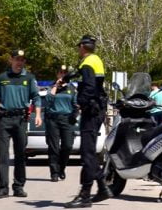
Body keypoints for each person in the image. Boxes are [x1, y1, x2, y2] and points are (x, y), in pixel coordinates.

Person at [0, 49, 41, 199]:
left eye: (22, 60)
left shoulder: (29, 78)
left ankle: (19, 186)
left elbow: (36, 97)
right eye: (17, 59)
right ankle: (3, 188)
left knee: (20, 155)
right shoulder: (2, 78)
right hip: (3, 120)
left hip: (20, 120)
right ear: (11, 60)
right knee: (2, 155)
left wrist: (38, 115)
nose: (19, 62)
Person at [65, 35, 113, 208]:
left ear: (83, 47)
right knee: (89, 153)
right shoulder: (96, 60)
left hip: (91, 111)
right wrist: (68, 77)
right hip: (98, 109)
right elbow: (92, 82)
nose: (78, 49)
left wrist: (78, 106)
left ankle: (85, 195)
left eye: (79, 47)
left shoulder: (87, 63)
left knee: (87, 154)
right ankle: (102, 188)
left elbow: (89, 87)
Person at [45, 65, 78, 182]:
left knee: (68, 146)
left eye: (65, 73)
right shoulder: (51, 87)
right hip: (53, 119)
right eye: (61, 72)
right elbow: (48, 100)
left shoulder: (71, 88)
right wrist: (56, 86)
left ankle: (61, 168)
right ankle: (54, 172)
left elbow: (75, 104)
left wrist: (76, 114)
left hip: (67, 119)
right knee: (53, 147)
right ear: (57, 74)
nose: (63, 74)